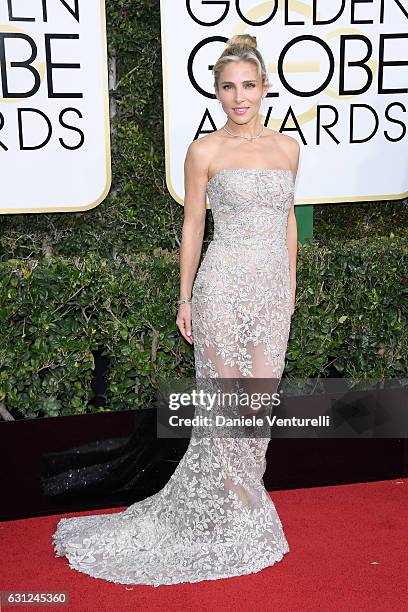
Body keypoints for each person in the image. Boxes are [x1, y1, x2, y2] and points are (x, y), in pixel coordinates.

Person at [52, 33, 300, 587]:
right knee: (223, 411)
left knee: (257, 408)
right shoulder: (204, 151)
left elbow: (287, 220)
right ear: (216, 92)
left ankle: (242, 502)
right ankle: (243, 517)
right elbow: (192, 227)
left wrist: (290, 290)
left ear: (264, 89)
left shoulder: (287, 148)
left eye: (249, 86)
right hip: (221, 287)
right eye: (229, 87)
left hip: (269, 292)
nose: (240, 97)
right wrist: (184, 297)